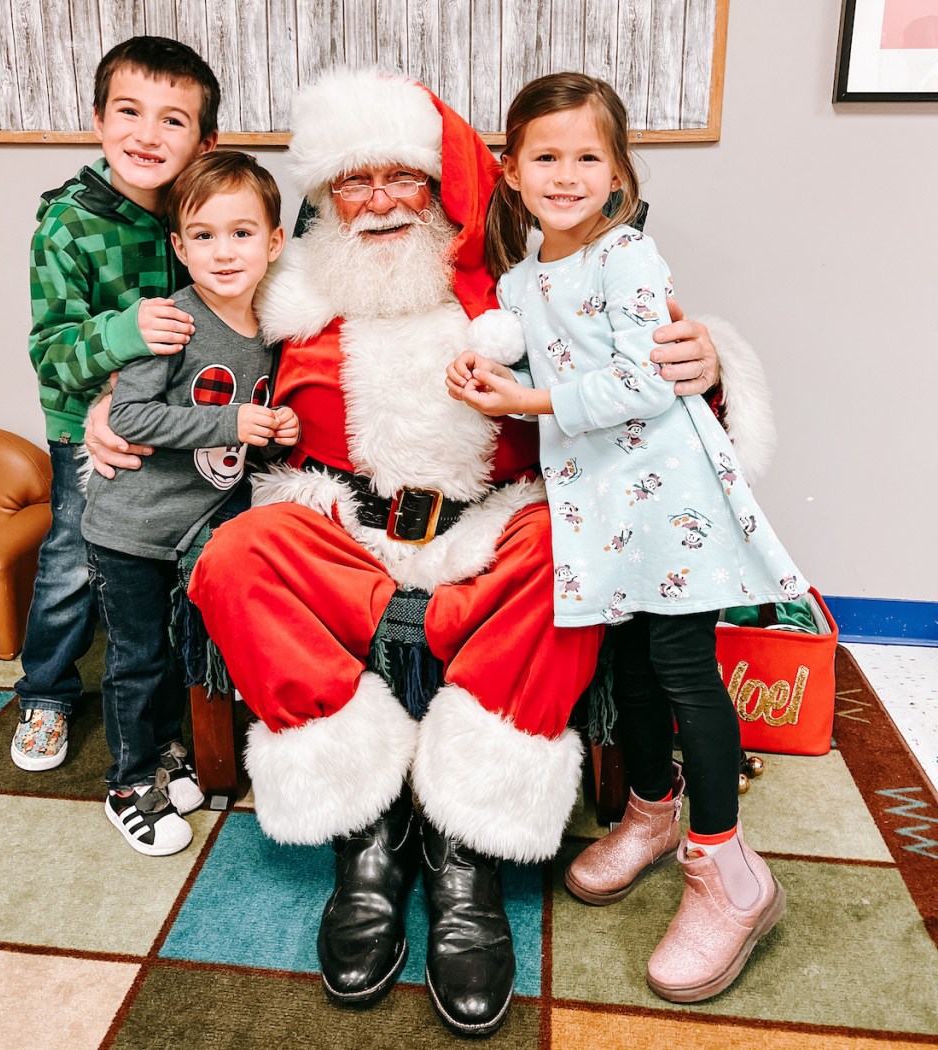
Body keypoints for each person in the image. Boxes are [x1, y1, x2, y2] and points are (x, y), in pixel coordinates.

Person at [85, 69, 765, 1036]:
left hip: (491, 526)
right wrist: (105, 409)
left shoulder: (521, 283)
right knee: (236, 558)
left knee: (567, 552)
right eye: (350, 183)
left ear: (439, 184)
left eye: (398, 177)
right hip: (343, 530)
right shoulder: (285, 284)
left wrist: (707, 359)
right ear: (320, 201)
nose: (375, 203)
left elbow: (637, 349)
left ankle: (464, 838)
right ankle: (367, 823)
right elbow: (190, 346)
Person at [446, 72, 805, 1003]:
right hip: (600, 504)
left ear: (617, 175)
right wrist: (480, 354)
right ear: (512, 172)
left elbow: (649, 382)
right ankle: (651, 812)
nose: (566, 174)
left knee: (685, 671)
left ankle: (728, 873)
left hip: (670, 504)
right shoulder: (527, 275)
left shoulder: (629, 257)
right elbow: (522, 332)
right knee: (632, 669)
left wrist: (526, 396)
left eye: (588, 157)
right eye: (546, 156)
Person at [11, 36, 219, 772]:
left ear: (204, 141)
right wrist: (124, 336)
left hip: (181, 428)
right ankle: (46, 692)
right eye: (129, 111)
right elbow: (52, 352)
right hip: (90, 435)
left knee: (166, 565)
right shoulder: (68, 224)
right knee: (73, 562)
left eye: (173, 120)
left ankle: (179, 700)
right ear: (98, 119)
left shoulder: (204, 214)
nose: (147, 134)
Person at [81, 150, 294, 856]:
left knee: (176, 651)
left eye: (241, 233)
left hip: (193, 528)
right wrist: (231, 422)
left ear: (274, 242)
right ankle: (127, 782)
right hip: (130, 529)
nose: (223, 251)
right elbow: (131, 419)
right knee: (137, 659)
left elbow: (244, 435)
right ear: (179, 246)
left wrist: (275, 429)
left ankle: (166, 751)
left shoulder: (272, 329)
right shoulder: (171, 321)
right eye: (202, 235)